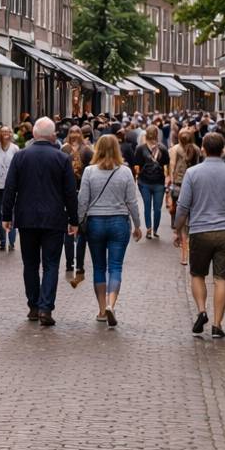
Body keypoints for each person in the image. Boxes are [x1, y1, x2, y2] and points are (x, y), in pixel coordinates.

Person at [1, 118, 78, 327]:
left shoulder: (20, 157)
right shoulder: (62, 159)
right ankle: (45, 307)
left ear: (34, 135)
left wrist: (6, 216)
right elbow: (70, 193)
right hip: (54, 219)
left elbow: (10, 188)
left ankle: (33, 306)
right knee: (51, 264)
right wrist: (74, 219)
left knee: (30, 264)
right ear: (53, 136)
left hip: (27, 219)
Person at [173, 132, 225, 339]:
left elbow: (183, 206)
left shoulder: (192, 173)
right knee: (221, 279)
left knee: (197, 274)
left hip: (200, 231)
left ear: (204, 150)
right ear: (224, 150)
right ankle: (217, 324)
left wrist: (177, 229)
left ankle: (202, 311)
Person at [78, 135, 144, 327]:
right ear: (117, 150)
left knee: (98, 267)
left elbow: (83, 200)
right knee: (115, 266)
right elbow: (131, 201)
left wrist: (78, 220)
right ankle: (111, 305)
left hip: (95, 222)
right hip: (118, 222)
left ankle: (100, 310)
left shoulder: (89, 171)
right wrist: (138, 225)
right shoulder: (125, 172)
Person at [61, 125, 93, 287]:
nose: (74, 135)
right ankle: (69, 262)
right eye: (71, 132)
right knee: (68, 229)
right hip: (67, 193)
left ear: (80, 134)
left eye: (76, 132)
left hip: (82, 192)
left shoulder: (87, 150)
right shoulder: (63, 149)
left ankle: (79, 262)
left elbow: (92, 170)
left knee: (81, 228)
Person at [168, 128, 202, 267]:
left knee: (180, 215)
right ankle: (191, 249)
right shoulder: (196, 149)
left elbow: (173, 165)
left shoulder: (176, 149)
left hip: (178, 185)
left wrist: (171, 178)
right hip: (194, 186)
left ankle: (183, 254)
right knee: (192, 219)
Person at [133, 126, 171, 239]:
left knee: (151, 207)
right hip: (155, 182)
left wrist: (137, 177)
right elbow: (166, 164)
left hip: (147, 181)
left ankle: (151, 229)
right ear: (156, 134)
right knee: (155, 207)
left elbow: (137, 165)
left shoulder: (141, 149)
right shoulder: (162, 148)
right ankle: (153, 229)